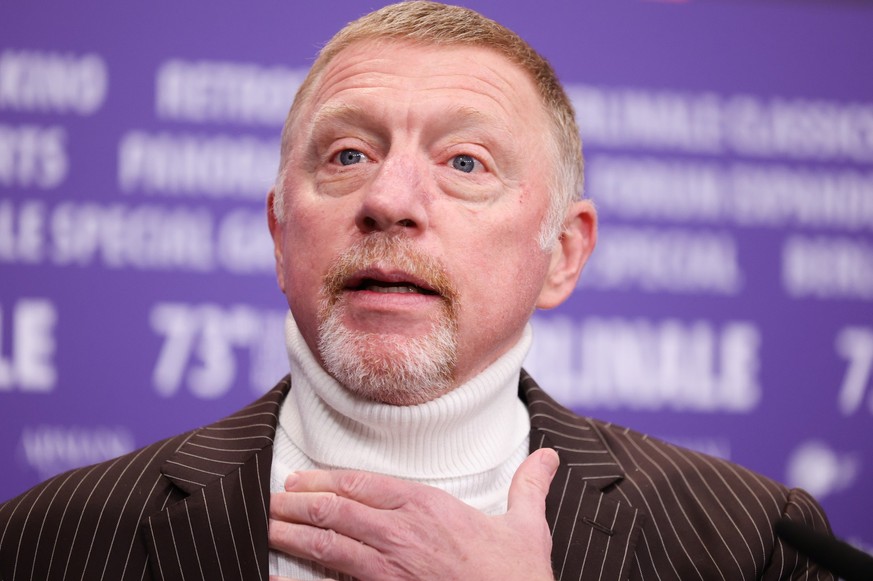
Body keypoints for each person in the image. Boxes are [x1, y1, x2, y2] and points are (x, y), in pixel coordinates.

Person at [0, 2, 833, 580]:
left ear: (562, 254)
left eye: (464, 162)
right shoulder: (51, 537)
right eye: (347, 155)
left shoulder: (750, 543)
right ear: (280, 232)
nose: (388, 201)